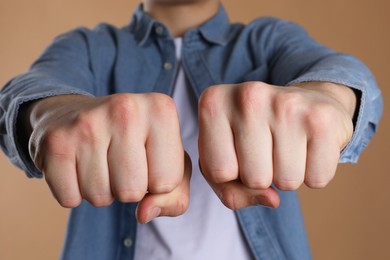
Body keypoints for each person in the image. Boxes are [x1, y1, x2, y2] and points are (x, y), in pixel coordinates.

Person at [0, 0, 383, 259]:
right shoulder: (87, 47)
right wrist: (52, 113)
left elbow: (341, 71)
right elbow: (27, 91)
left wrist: (330, 98)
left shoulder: (268, 40)